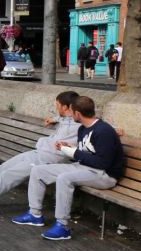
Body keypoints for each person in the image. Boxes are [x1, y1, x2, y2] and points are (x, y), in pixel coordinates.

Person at [12, 95, 125, 240]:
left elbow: (103, 163)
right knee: (38, 170)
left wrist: (74, 152)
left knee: (64, 178)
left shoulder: (104, 131)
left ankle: (62, 226)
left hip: (104, 175)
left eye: (72, 112)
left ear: (77, 113)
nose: (70, 116)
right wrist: (69, 148)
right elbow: (86, 151)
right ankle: (34, 215)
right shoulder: (83, 129)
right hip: (84, 167)